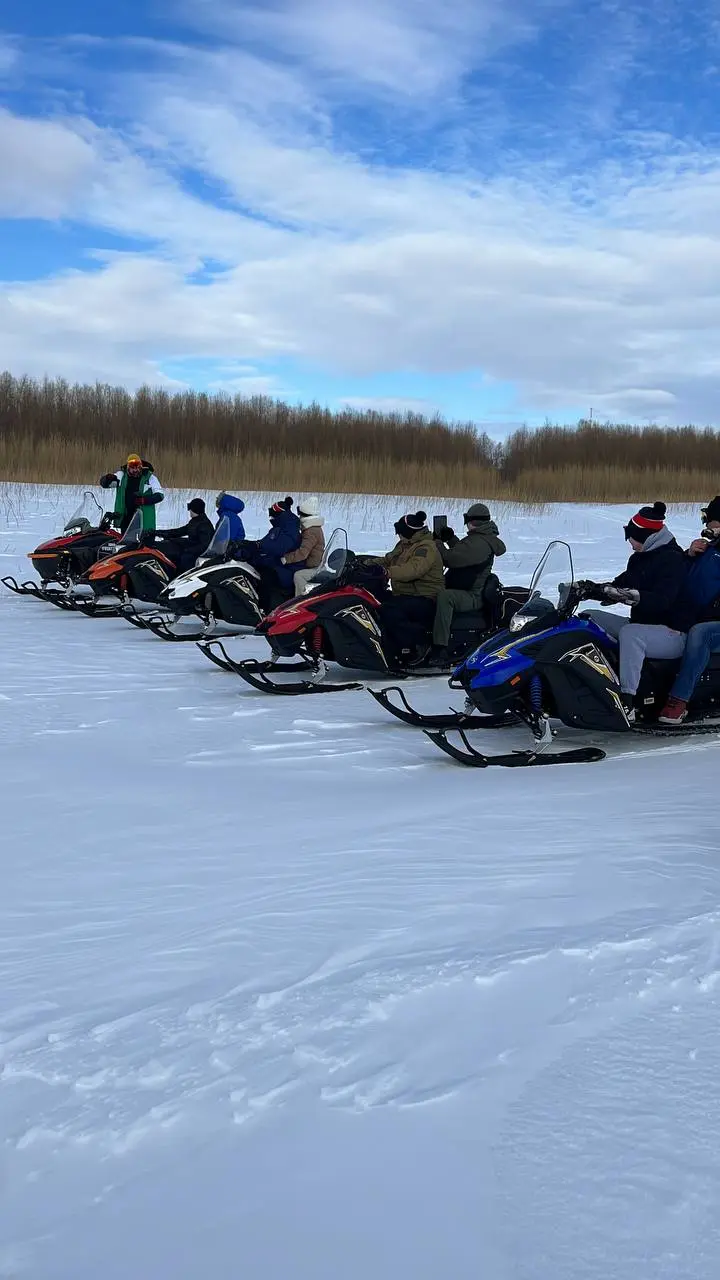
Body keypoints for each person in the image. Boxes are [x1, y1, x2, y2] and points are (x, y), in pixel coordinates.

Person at [582, 502, 694, 719]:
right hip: (645, 626)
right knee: (590, 618)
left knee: (630, 634)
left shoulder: (673, 560)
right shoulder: (640, 558)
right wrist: (590, 589)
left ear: (645, 537)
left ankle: (627, 701)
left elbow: (663, 600)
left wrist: (631, 597)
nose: (630, 544)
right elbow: (619, 585)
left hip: (673, 633)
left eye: (632, 539)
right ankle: (597, 676)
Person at [421, 502, 506, 667]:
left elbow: (451, 559)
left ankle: (440, 648)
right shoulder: (480, 538)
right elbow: (464, 552)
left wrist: (438, 543)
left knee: (446, 597)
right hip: (467, 588)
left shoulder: (481, 543)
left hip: (473, 595)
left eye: (467, 519)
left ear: (473, 522)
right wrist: (450, 539)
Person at [658, 497, 720, 723]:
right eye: (708, 522)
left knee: (700, 634)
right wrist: (688, 556)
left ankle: (678, 700)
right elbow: (682, 579)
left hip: (711, 622)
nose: (709, 528)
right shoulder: (708, 549)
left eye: (714, 523)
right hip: (695, 614)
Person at [374, 511, 445, 663]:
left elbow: (413, 569)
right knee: (375, 601)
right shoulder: (405, 545)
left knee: (389, 609)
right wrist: (366, 564)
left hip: (425, 597)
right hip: (406, 594)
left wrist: (387, 573)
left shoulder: (426, 547)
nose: (398, 536)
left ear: (408, 532)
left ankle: (418, 643)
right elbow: (388, 559)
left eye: (400, 532)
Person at [240, 498, 302, 604]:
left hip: (289, 568)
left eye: (272, 515)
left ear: (279, 515)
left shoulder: (288, 530)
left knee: (267, 576)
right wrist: (250, 546)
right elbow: (266, 544)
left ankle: (266, 607)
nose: (270, 518)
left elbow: (274, 549)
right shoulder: (282, 527)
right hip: (281, 564)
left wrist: (255, 551)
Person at [100, 454, 164, 532]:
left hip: (144, 521)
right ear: (128, 468)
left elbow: (160, 495)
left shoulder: (150, 478)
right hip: (126, 519)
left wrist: (144, 500)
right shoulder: (121, 476)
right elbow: (106, 484)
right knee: (125, 543)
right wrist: (107, 479)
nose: (135, 470)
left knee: (146, 543)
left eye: (137, 468)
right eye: (132, 468)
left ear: (141, 467)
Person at [153, 498, 215, 572]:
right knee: (170, 544)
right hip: (191, 546)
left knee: (184, 557)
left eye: (190, 509)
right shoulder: (195, 521)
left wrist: (188, 550)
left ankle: (180, 576)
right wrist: (157, 533)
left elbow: (204, 545)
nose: (189, 511)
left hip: (196, 552)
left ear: (195, 510)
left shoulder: (204, 525)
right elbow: (178, 532)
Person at [281, 495, 326, 595]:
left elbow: (303, 553)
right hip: (314, 564)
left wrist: (286, 559)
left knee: (298, 576)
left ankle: (299, 600)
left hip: (314, 567)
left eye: (300, 514)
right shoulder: (314, 527)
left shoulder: (311, 531)